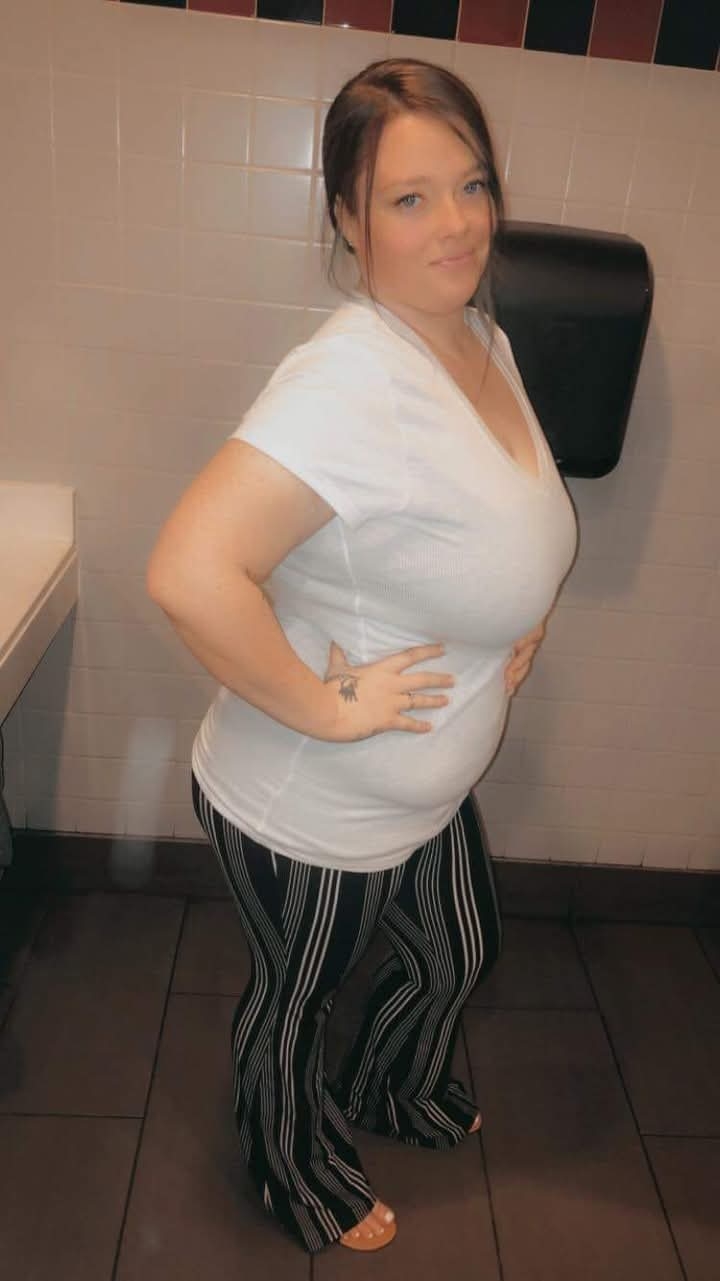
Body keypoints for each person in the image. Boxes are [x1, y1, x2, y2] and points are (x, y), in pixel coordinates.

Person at [146, 58, 578, 1256]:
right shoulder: (350, 380)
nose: (459, 224)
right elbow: (188, 570)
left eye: (472, 185)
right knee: (295, 1004)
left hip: (423, 786)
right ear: (346, 217)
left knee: (459, 951)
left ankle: (389, 1085)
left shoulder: (477, 335)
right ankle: (290, 1167)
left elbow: (495, 519)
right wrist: (326, 709)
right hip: (311, 803)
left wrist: (520, 615)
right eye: (409, 198)